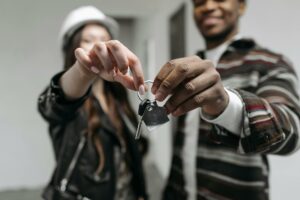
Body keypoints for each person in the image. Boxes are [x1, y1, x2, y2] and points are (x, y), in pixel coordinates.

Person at [152, 0, 300, 200]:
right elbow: (185, 145)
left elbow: (292, 133)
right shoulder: (189, 65)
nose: (208, 6)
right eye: (199, 3)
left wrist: (227, 104)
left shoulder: (269, 62)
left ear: (241, 6)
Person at [38, 5, 148, 200]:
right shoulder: (66, 95)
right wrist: (84, 70)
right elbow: (55, 103)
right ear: (72, 48)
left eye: (105, 41)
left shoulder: (117, 97)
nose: (100, 47)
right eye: (88, 41)